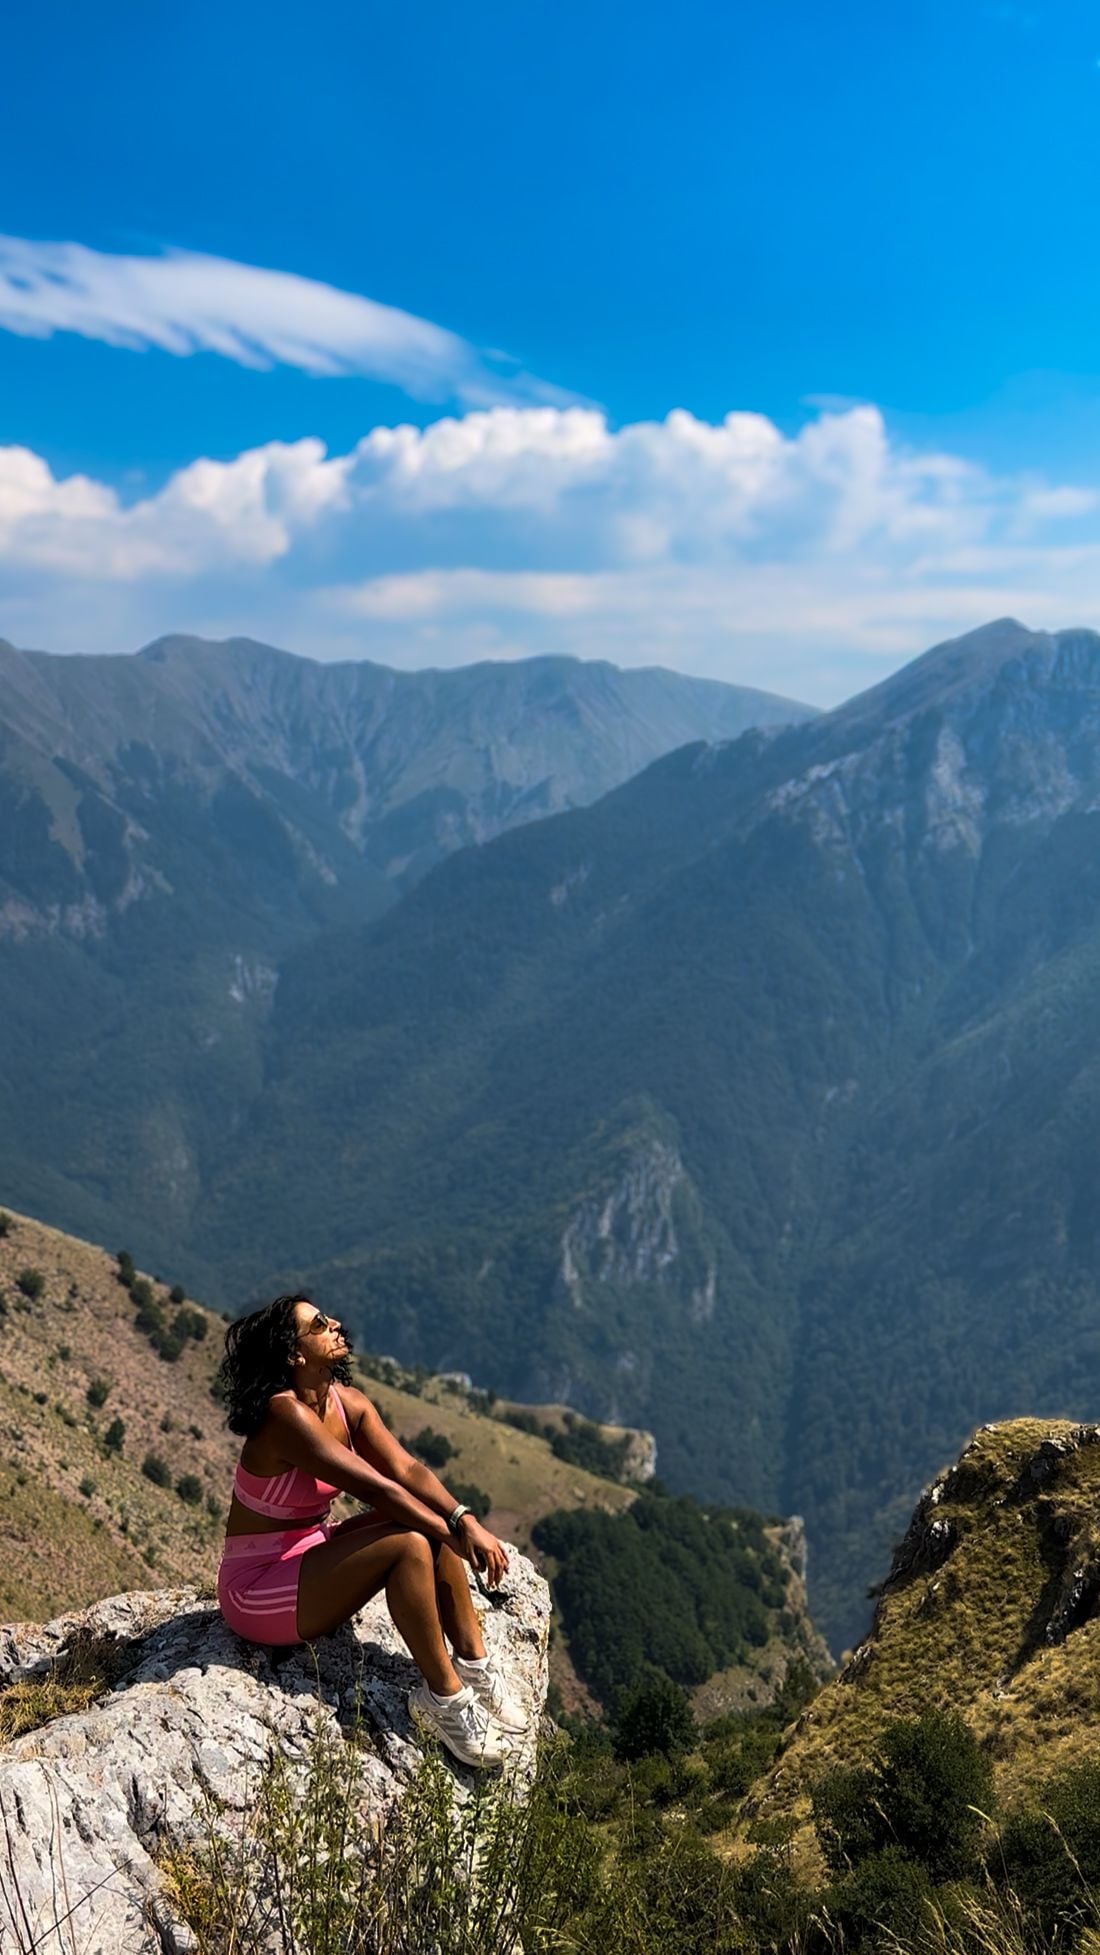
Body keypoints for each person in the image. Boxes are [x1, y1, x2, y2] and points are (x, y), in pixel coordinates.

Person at [216, 1291, 525, 1767]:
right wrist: (452, 1535)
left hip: (309, 1550)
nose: (335, 1324)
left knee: (427, 1516)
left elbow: (407, 1470)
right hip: (256, 1587)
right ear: (295, 1354)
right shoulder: (285, 1415)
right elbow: (377, 1488)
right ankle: (442, 1699)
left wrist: (463, 1519)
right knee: (409, 1543)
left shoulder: (347, 1404)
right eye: (319, 1325)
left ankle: (474, 1663)